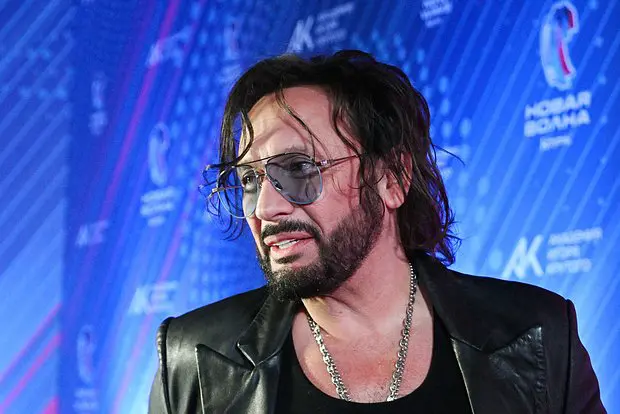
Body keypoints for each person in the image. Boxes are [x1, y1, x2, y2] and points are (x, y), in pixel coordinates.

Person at [148, 50, 605, 413]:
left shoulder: (537, 336)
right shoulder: (195, 361)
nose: (265, 208)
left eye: (299, 168)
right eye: (250, 180)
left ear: (392, 178)